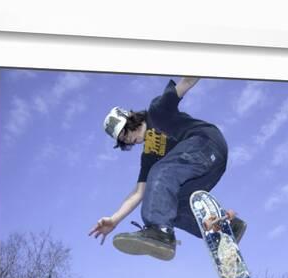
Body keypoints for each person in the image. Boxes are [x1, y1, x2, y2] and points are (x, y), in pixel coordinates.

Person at [89, 77, 245, 260]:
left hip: (206, 142)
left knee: (160, 172)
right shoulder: (149, 155)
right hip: (210, 169)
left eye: (124, 133)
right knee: (172, 207)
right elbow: (139, 193)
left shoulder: (157, 112)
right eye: (122, 141)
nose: (127, 140)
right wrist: (114, 219)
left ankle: (159, 231)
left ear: (130, 119)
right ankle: (225, 228)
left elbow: (185, 83)